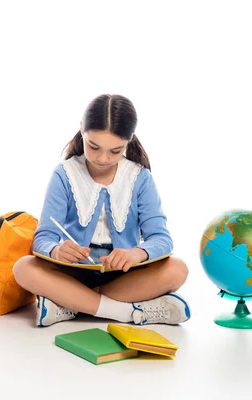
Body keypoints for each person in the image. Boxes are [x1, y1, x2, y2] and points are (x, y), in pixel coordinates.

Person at [13, 94, 191, 327]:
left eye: (115, 151)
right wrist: (57, 251)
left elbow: (161, 239)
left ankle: (71, 303)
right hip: (72, 273)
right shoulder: (64, 174)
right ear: (81, 131)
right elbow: (43, 238)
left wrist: (135, 254)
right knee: (23, 268)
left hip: (123, 276)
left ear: (129, 141)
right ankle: (126, 313)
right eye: (93, 146)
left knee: (177, 270)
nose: (102, 158)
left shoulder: (139, 177)